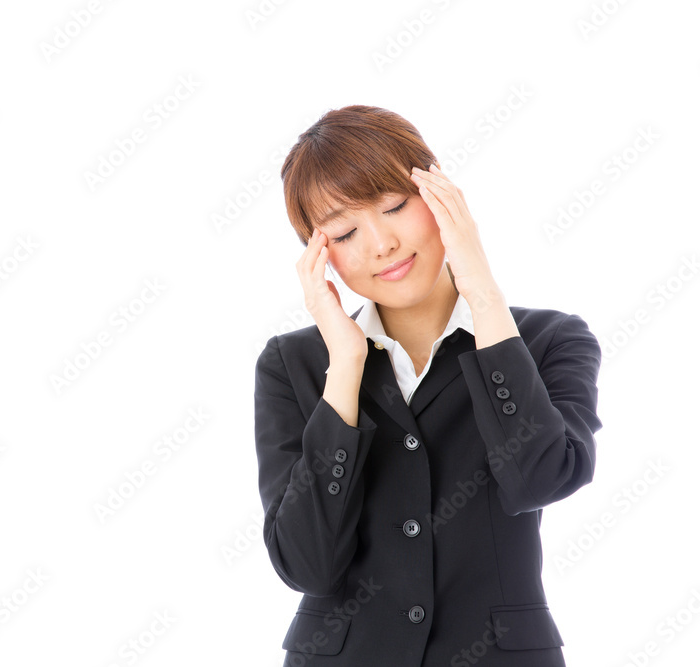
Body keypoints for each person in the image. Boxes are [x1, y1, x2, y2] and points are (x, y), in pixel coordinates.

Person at [253, 105, 603, 666]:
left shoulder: (548, 341)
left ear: (439, 192)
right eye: (344, 232)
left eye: (393, 206)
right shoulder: (292, 363)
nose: (381, 244)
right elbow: (307, 566)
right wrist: (344, 365)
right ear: (322, 256)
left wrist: (484, 295)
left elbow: (538, 479)